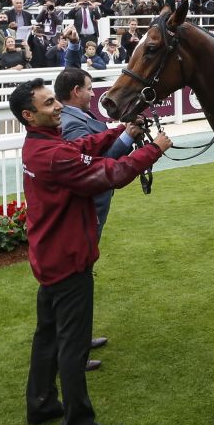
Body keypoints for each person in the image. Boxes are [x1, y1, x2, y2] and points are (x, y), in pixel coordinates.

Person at [10, 78, 170, 425]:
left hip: (50, 256)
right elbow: (110, 174)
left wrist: (122, 130)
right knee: (73, 345)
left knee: (47, 335)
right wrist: (153, 150)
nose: (59, 106)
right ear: (29, 115)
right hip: (68, 260)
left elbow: (82, 146)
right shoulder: (53, 155)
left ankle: (41, 403)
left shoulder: (41, 144)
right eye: (50, 103)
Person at [55, 67, 138, 370]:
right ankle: (75, 349)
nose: (93, 94)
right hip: (87, 206)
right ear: (76, 91)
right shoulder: (73, 125)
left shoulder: (79, 118)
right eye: (89, 89)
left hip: (93, 205)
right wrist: (128, 138)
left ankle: (81, 336)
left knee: (83, 275)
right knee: (77, 278)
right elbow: (99, 164)